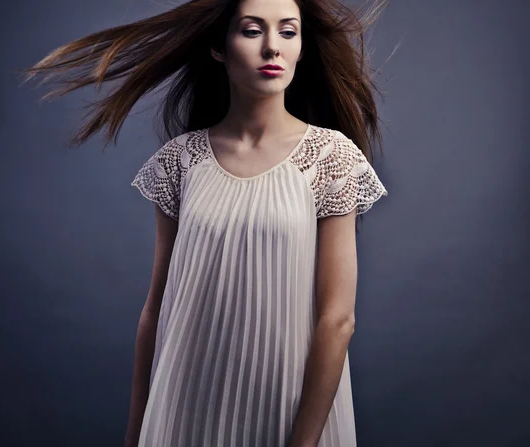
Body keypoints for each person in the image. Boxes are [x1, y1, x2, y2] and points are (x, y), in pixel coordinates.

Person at [19, 0, 390, 445]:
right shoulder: (180, 162)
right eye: (253, 31)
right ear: (219, 47)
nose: (272, 47)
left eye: (288, 32)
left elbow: (337, 319)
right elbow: (156, 311)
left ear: (302, 48)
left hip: (290, 410)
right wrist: (137, 431)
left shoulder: (331, 159)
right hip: (185, 406)